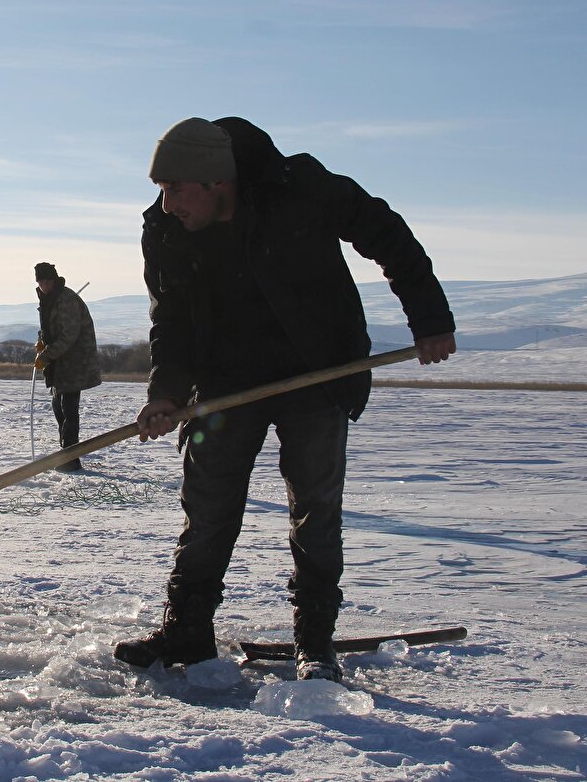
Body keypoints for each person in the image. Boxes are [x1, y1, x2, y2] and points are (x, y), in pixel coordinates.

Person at [113, 117, 457, 682]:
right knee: (208, 510)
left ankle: (314, 642)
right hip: (225, 384)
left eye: (175, 187)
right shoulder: (166, 230)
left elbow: (386, 233)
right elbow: (170, 318)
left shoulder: (300, 188)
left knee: (315, 510)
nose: (165, 201)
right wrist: (167, 393)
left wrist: (430, 319)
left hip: (319, 373)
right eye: (161, 188)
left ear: (215, 181)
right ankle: (188, 631)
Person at [34, 262, 102, 472]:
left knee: (68, 409)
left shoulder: (67, 300)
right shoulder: (48, 299)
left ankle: (70, 457)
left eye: (47, 280)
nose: (44, 285)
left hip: (75, 362)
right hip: (60, 363)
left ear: (54, 280)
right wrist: (42, 340)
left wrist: (45, 355)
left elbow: (69, 335)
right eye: (40, 281)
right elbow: (51, 327)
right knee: (58, 406)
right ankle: (67, 452)